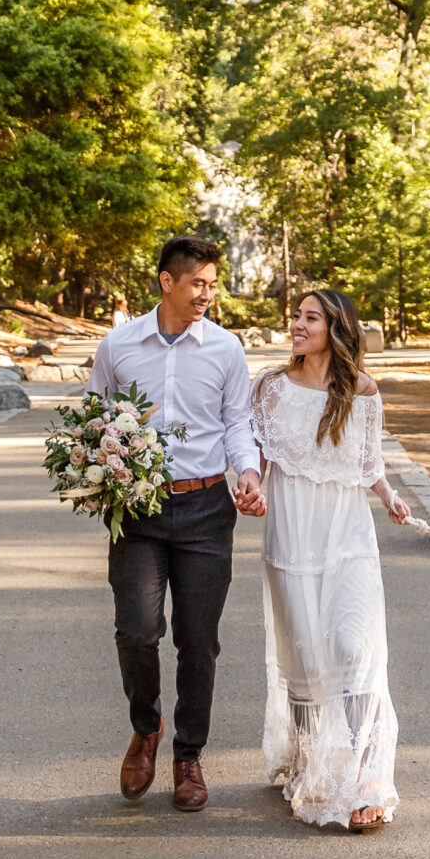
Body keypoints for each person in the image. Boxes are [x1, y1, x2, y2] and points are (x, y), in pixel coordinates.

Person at [87, 233, 265, 812]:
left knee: (198, 640)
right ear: (167, 282)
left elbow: (237, 421)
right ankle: (146, 727)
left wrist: (248, 471)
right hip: (137, 510)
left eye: (214, 284)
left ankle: (188, 755)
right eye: (198, 284)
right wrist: (96, 469)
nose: (208, 294)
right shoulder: (118, 345)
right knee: (137, 630)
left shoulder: (225, 349)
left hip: (207, 508)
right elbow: (95, 420)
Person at [252, 286, 409, 833]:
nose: (297, 324)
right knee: (305, 661)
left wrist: (390, 496)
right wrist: (250, 487)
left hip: (348, 538)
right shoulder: (271, 388)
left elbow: (369, 463)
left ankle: (365, 781)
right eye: (296, 316)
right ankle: (308, 765)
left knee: (353, 647)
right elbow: (259, 458)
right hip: (291, 539)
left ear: (336, 329)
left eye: (309, 317)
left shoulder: (362, 390)